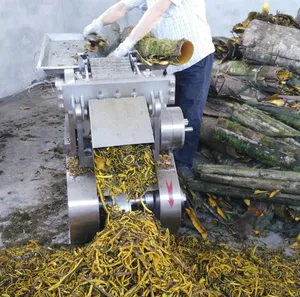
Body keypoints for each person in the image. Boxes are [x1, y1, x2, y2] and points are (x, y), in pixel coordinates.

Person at [83, 0, 215, 178]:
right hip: (169, 58)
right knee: (166, 112)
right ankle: (163, 158)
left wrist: (128, 43)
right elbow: (123, 6)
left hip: (196, 56)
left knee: (189, 115)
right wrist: (98, 22)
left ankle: (183, 166)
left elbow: (158, 9)